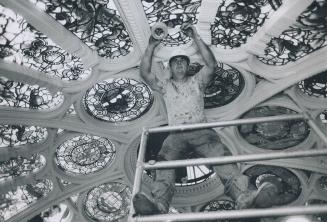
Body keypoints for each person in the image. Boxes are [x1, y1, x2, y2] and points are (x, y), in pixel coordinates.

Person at [133, 24, 278, 215]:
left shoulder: (197, 81)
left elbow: (211, 65)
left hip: (201, 131)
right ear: (170, 66)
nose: (179, 64)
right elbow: (145, 74)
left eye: (183, 61)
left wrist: (196, 38)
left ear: (187, 65)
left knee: (223, 161)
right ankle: (159, 204)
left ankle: (244, 196)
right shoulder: (165, 85)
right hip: (175, 134)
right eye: (175, 61)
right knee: (164, 166)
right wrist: (151, 46)